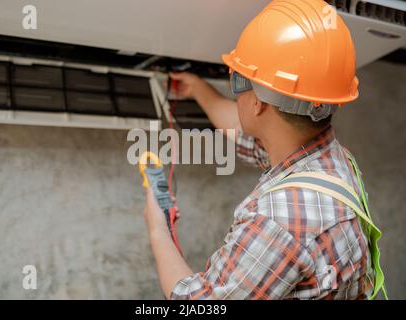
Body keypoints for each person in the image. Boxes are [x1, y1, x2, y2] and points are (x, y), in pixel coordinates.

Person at [143, 0, 386, 300]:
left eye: (236, 78)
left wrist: (157, 227)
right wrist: (197, 89)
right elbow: (253, 137)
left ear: (257, 102)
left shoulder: (277, 221)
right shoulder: (332, 160)